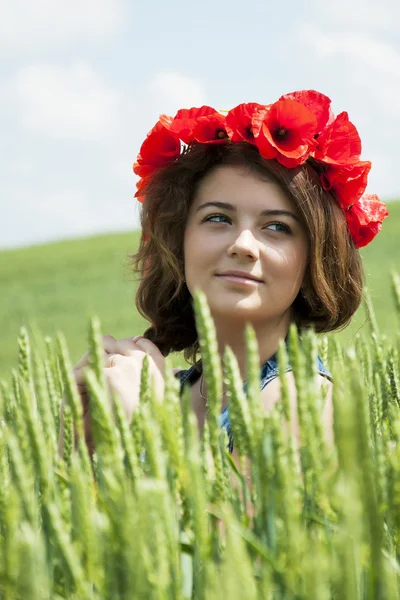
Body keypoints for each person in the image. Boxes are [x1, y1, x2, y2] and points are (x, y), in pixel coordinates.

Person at [62, 89, 388, 459]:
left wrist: (149, 429)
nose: (243, 244)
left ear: (314, 259)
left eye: (278, 227)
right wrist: (77, 444)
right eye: (218, 218)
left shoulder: (298, 402)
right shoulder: (162, 391)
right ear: (178, 239)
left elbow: (221, 519)